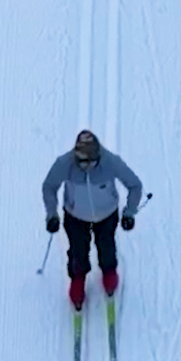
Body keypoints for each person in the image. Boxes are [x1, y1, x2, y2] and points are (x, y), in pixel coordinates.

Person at [40, 128, 144, 311]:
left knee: (107, 246)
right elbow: (49, 186)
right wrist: (52, 214)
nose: (86, 167)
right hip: (76, 215)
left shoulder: (111, 162)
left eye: (91, 163)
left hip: (106, 214)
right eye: (81, 163)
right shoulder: (64, 163)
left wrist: (129, 213)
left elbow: (135, 185)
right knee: (77, 251)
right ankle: (78, 280)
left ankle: (109, 273)